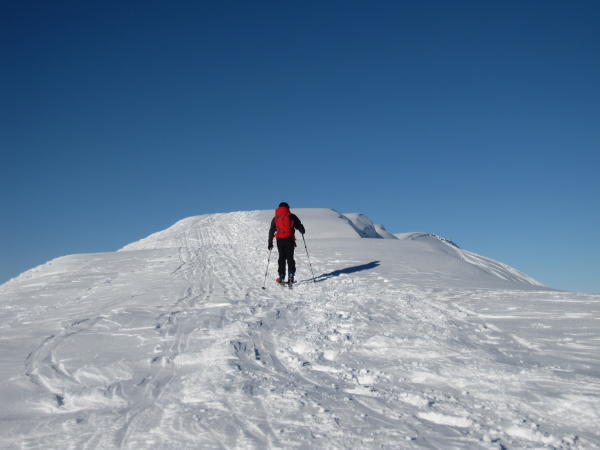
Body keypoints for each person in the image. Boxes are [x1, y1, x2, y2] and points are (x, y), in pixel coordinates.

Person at [268, 202, 305, 284]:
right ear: (287, 207)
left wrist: (270, 243)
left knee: (281, 258)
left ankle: (281, 276)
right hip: (289, 239)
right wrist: (302, 230)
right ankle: (291, 275)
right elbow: (299, 226)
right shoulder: (291, 216)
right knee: (290, 257)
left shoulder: (276, 218)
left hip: (279, 240)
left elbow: (271, 230)